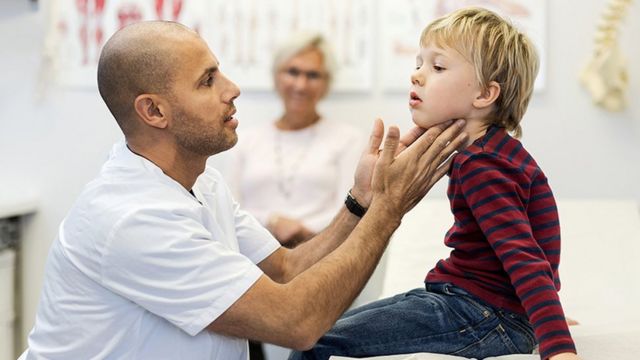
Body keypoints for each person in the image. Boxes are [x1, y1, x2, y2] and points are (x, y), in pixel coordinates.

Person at [20, 21, 468, 360]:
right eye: (208, 80)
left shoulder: (200, 182)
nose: (232, 89)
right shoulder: (133, 217)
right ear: (154, 110)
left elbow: (286, 270)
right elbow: (295, 321)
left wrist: (361, 202)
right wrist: (388, 211)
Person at [290, 7, 579, 360]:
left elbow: (524, 255)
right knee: (320, 326)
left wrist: (555, 342)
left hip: (482, 313)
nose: (417, 77)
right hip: (477, 303)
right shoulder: (494, 151)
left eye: (437, 67)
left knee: (313, 342)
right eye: (418, 64)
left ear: (485, 95)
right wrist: (534, 312)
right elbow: (531, 239)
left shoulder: (482, 165)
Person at [229, 32, 364, 248]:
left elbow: (349, 209)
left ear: (326, 83)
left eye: (312, 75)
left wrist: (300, 231)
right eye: (292, 72)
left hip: (320, 254)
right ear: (276, 76)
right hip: (252, 260)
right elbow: (229, 209)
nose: (301, 85)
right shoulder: (244, 140)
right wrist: (272, 221)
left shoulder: (348, 139)